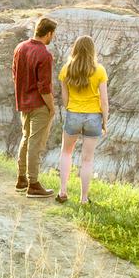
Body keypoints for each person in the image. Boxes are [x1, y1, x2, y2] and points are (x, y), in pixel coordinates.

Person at [55, 35, 109, 206]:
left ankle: (63, 191)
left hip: (73, 114)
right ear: (92, 50)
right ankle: (84, 198)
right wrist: (104, 121)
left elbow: (65, 95)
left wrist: (69, 109)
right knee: (87, 159)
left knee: (66, 152)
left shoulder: (66, 69)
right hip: (94, 116)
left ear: (75, 49)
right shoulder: (99, 70)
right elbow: (104, 100)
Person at [11, 16, 57, 197]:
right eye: (53, 35)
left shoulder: (20, 48)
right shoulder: (44, 54)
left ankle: (21, 179)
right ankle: (34, 184)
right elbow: (44, 87)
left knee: (25, 138)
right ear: (49, 33)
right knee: (35, 144)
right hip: (39, 104)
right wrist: (52, 107)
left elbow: (14, 75)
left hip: (23, 102)